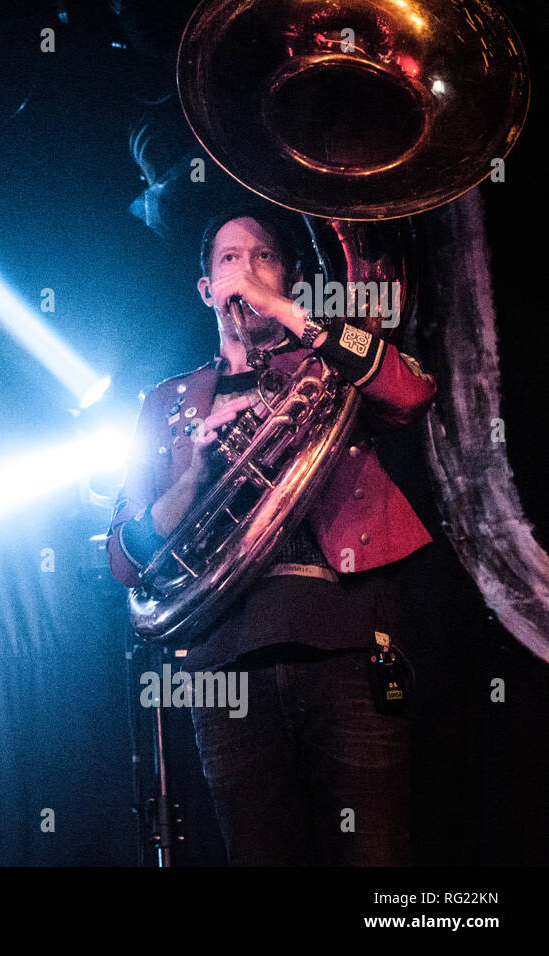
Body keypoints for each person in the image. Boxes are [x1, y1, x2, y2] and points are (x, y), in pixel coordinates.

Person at [107, 211, 436, 865]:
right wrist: (190, 481)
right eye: (230, 258)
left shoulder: (329, 365)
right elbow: (123, 560)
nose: (247, 272)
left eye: (263, 258)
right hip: (226, 666)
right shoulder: (167, 403)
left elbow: (412, 392)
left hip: (349, 643)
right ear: (206, 288)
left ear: (286, 278)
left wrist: (298, 319)